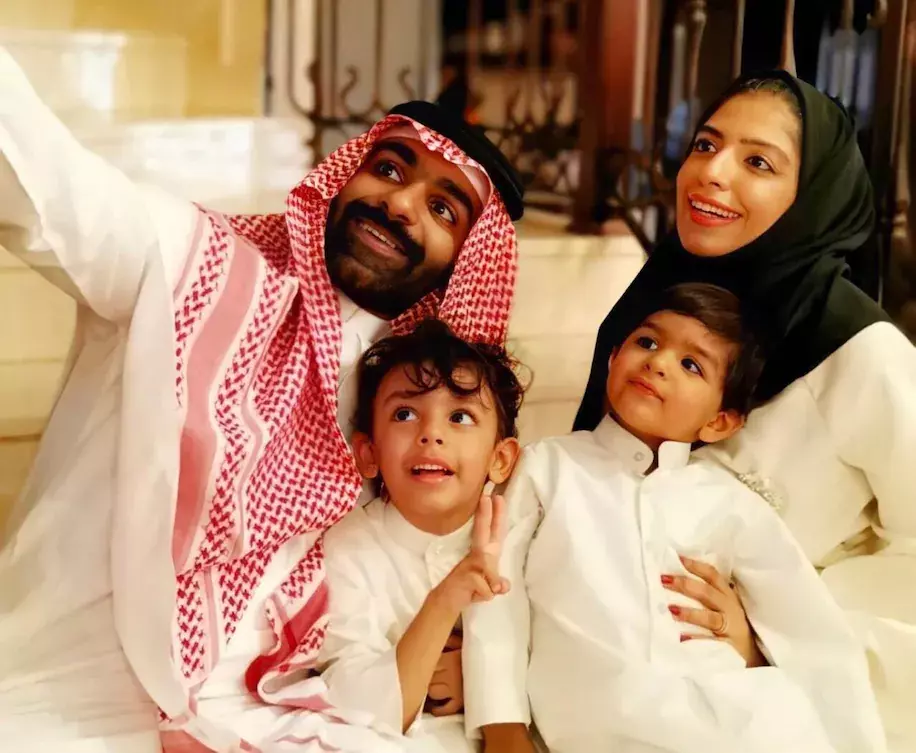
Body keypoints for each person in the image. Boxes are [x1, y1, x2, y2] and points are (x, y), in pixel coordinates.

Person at [0, 44, 525, 752]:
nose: (400, 204)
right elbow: (46, 189)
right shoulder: (193, 266)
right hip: (76, 690)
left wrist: (463, 656)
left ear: (466, 261)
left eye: (442, 207)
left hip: (266, 705)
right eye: (390, 168)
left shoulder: (407, 403)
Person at [573, 71, 916, 751]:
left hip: (765, 705)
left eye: (758, 161)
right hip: (617, 667)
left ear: (811, 195)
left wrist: (774, 628)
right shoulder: (662, 306)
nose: (711, 173)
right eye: (705, 145)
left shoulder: (861, 352)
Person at [468, 282, 886, 753]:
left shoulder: (730, 503)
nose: (658, 362)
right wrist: (502, 727)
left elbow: (813, 635)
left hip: (737, 720)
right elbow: (494, 596)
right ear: (611, 359)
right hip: (595, 724)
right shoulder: (545, 467)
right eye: (647, 342)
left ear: (720, 423)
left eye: (691, 365)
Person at [318, 319, 534, 753]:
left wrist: (479, 675)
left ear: (501, 458)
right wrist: (444, 601)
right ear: (369, 453)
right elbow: (359, 709)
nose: (431, 433)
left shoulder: (526, 531)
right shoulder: (345, 548)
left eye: (460, 416)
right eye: (405, 414)